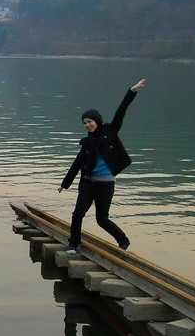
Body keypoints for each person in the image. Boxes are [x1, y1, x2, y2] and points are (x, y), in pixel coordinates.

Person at [57, 79, 146, 254]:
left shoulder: (110, 132)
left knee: (101, 219)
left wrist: (132, 92)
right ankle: (73, 243)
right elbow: (76, 164)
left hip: (105, 184)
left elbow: (121, 111)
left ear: (97, 121)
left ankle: (123, 240)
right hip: (88, 183)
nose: (88, 125)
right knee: (77, 214)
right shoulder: (87, 142)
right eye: (85, 123)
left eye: (90, 121)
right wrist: (64, 184)